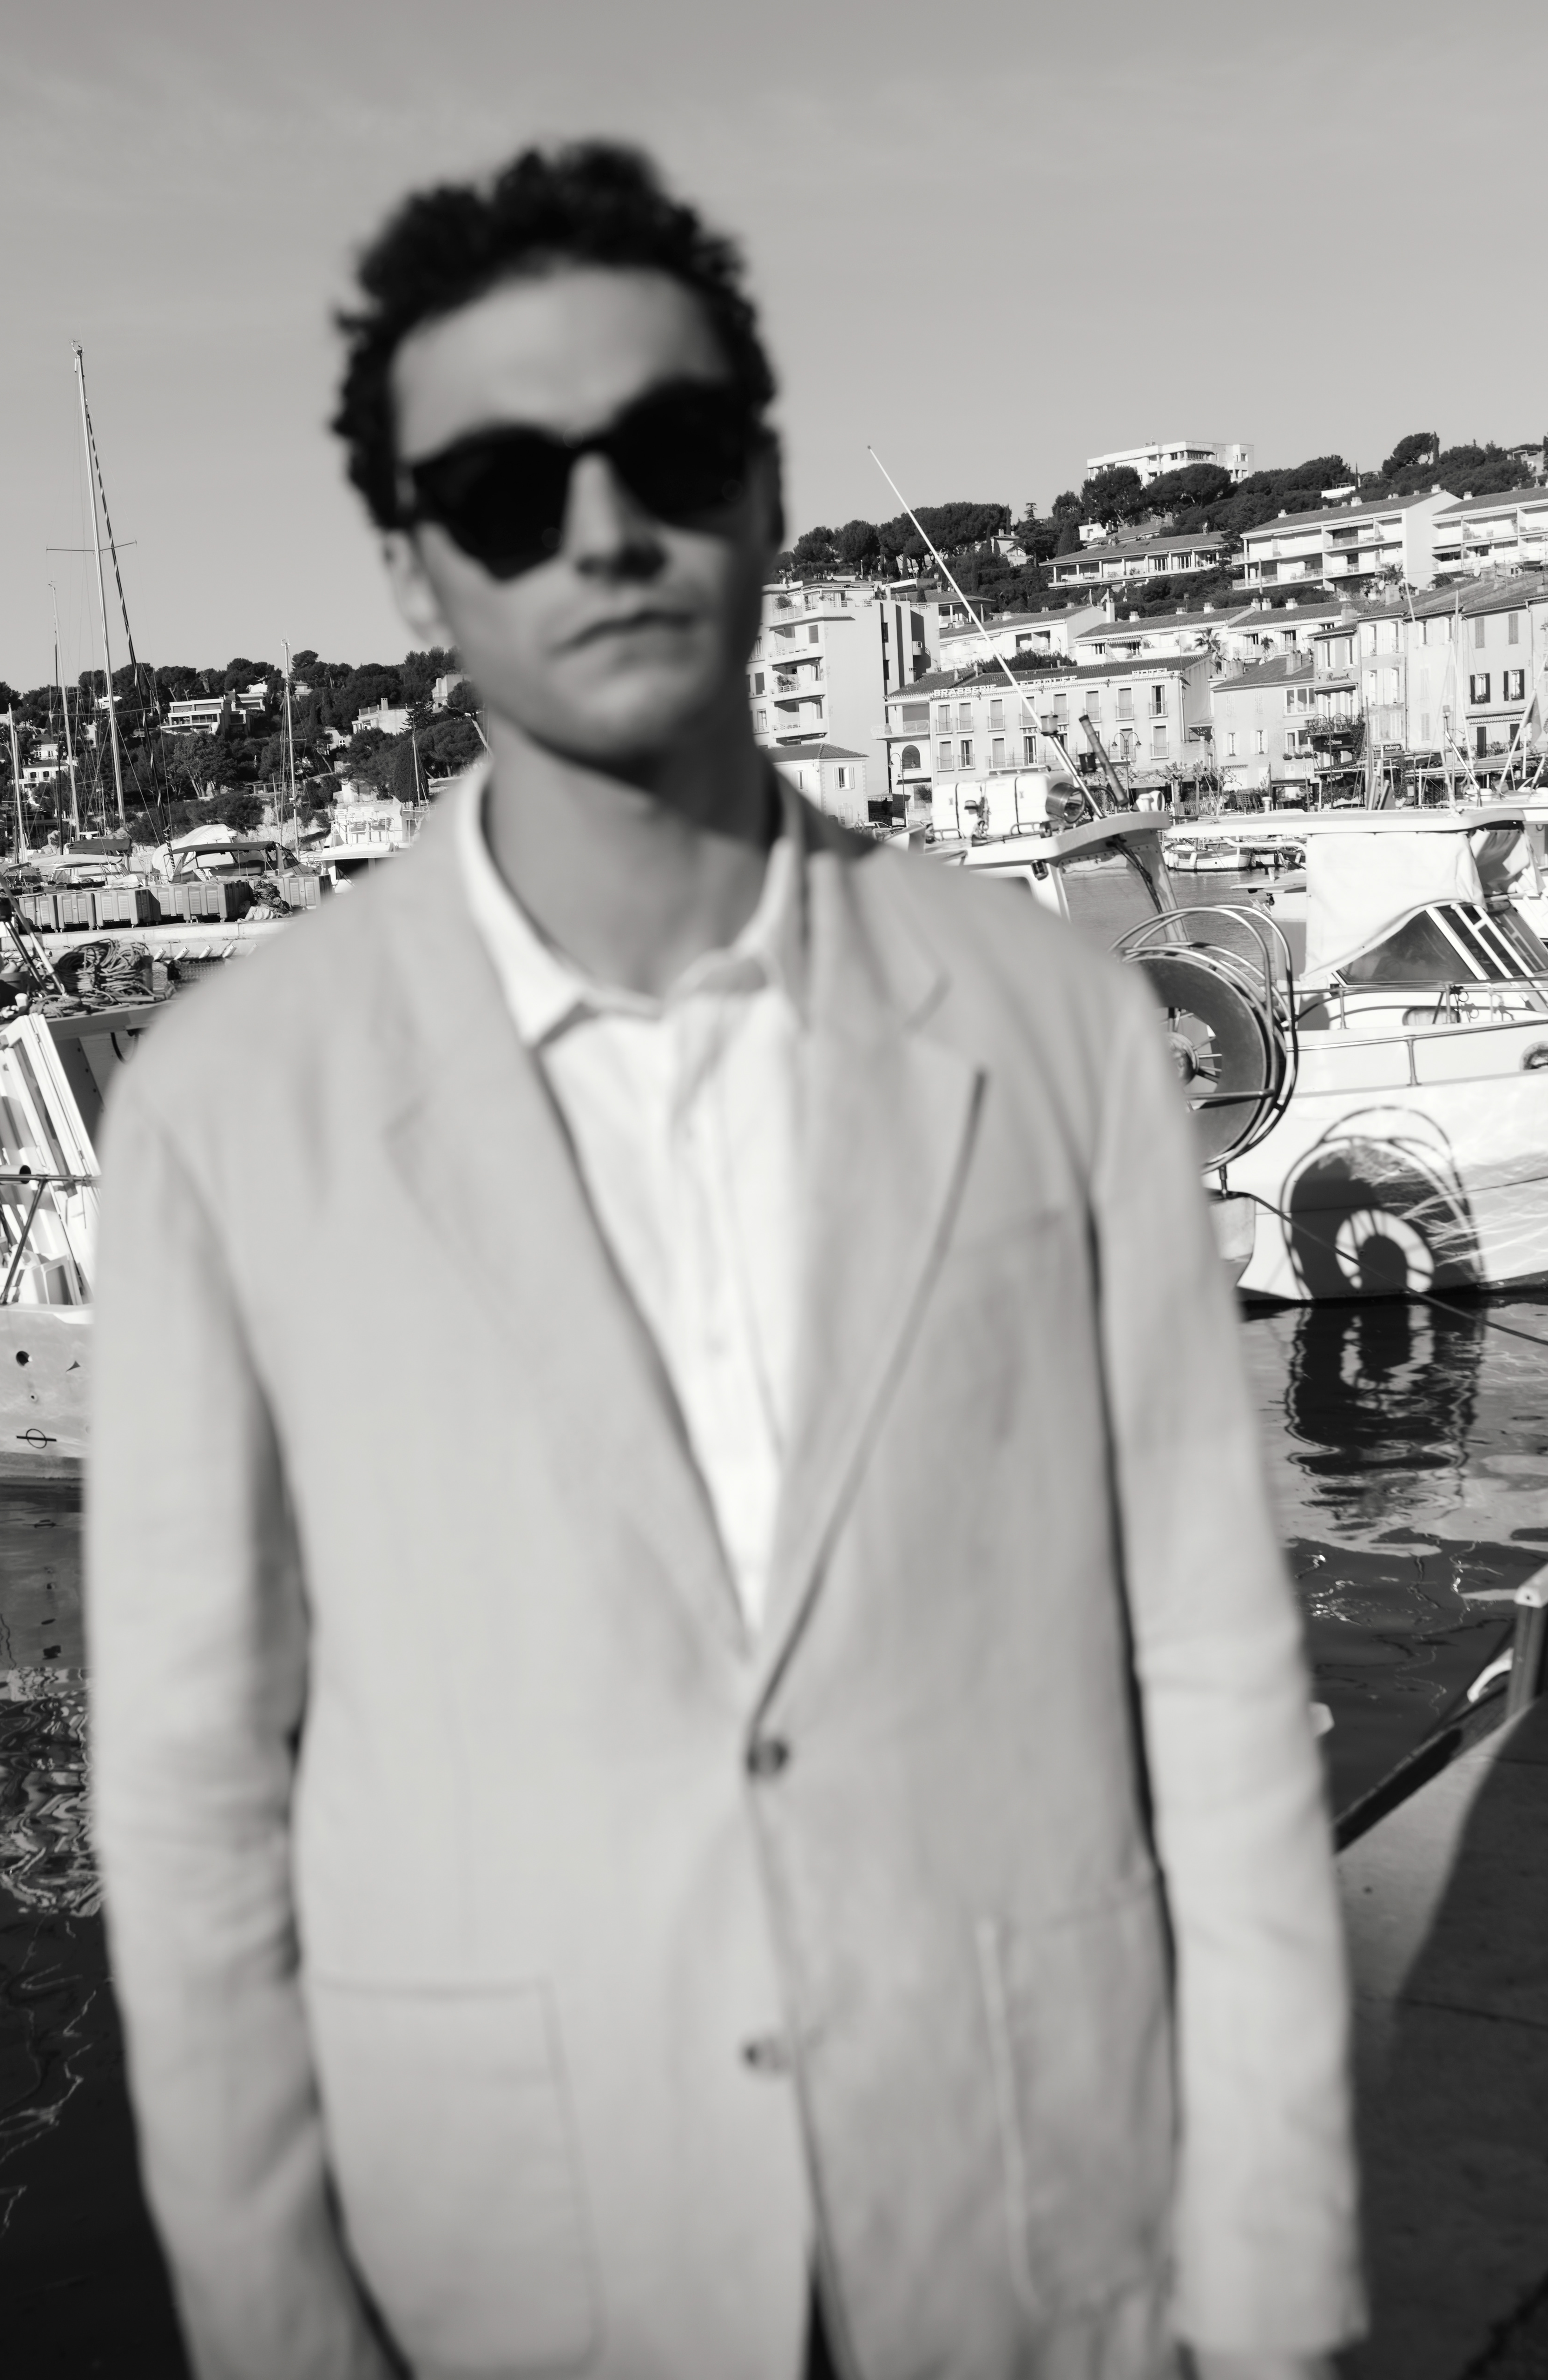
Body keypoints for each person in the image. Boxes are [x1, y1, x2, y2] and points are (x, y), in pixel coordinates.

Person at [87, 144, 1362, 2380]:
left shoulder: (1054, 1026)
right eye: (503, 486)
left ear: (766, 488)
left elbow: (1216, 1672)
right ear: (409, 562)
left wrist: (1266, 2293)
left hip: (1027, 2224)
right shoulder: (228, 1108)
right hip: (513, 2251)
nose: (600, 528)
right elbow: (196, 1803)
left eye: (666, 448)